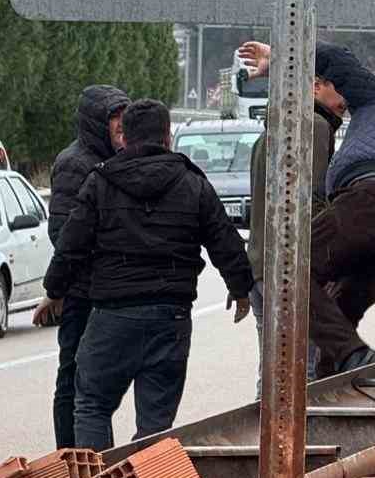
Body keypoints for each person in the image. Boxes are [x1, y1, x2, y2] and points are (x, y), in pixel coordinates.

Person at [37, 100, 254, 451]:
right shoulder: (193, 183)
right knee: (156, 424)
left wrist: (54, 290)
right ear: (168, 136)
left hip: (112, 315)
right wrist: (240, 289)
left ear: (125, 137)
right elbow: (225, 241)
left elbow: (71, 245)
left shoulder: (100, 182)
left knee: (91, 404)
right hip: (172, 316)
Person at [238, 41, 375, 366]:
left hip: (374, 201)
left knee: (286, 269)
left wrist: (280, 57)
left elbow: (337, 59)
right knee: (337, 313)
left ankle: (352, 356)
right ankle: (335, 378)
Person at [39, 85, 128, 449]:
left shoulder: (119, 158)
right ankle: (72, 458)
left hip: (108, 290)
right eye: (115, 122)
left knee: (97, 384)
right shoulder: (75, 163)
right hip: (83, 292)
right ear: (97, 123)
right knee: (75, 380)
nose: (122, 130)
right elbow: (64, 232)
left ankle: (95, 457)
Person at [247, 70, 348, 381]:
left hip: (262, 267)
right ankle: (297, 431)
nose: (346, 99)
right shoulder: (314, 127)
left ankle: (261, 428)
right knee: (300, 376)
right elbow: (315, 201)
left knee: (273, 374)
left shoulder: (270, 132)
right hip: (295, 270)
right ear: (316, 86)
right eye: (340, 87)